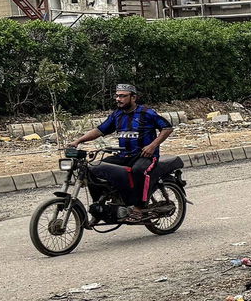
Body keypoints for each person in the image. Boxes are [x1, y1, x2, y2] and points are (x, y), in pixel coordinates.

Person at [69, 84, 173, 222]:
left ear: (133, 97)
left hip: (145, 156)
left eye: (123, 96)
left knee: (139, 171)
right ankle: (99, 206)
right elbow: (100, 131)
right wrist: (78, 141)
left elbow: (167, 128)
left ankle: (139, 207)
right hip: (124, 156)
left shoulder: (147, 113)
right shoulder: (116, 115)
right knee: (93, 168)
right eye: (117, 96)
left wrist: (152, 146)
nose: (118, 99)